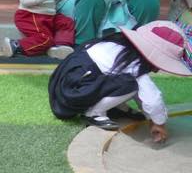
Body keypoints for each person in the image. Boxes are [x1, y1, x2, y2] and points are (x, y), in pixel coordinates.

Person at [49, 21, 191, 137]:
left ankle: (115, 108)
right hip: (73, 91)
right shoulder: (134, 64)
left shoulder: (120, 45)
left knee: (126, 81)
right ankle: (94, 113)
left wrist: (151, 118)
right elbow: (151, 98)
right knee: (130, 85)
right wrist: (159, 124)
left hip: (68, 81)